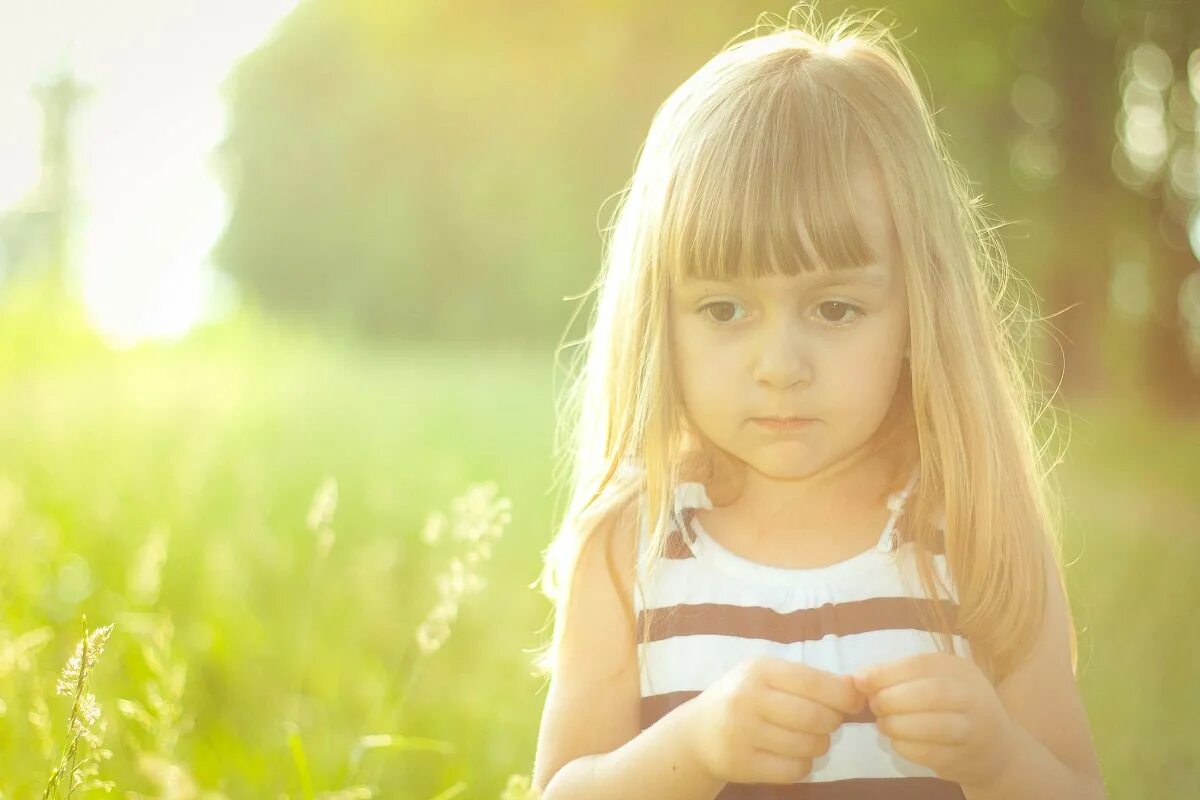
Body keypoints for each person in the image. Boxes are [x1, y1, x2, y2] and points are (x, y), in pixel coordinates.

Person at [530, 6, 1106, 799]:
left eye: (835, 309)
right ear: (659, 317)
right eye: (724, 310)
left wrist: (999, 760)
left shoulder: (977, 534)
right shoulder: (630, 550)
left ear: (919, 310)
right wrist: (693, 751)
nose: (780, 367)